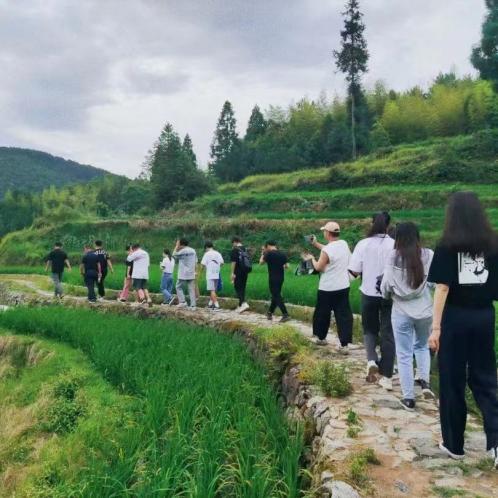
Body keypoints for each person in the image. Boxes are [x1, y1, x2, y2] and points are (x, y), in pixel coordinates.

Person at [427, 192, 498, 467]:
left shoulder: (447, 245)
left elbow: (442, 288)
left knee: (451, 378)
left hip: (455, 318)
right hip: (484, 316)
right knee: (485, 379)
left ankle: (454, 444)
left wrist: (436, 328)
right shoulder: (493, 244)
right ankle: (495, 442)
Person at [381, 222, 435, 411]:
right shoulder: (428, 255)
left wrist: (386, 295)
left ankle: (409, 398)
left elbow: (386, 284)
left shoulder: (393, 256)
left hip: (401, 311)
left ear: (398, 238)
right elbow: (434, 283)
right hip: (425, 310)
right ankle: (425, 382)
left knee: (404, 354)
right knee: (422, 346)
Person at [349, 211, 395, 390]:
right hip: (389, 295)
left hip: (368, 293)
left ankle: (371, 360)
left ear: (372, 223)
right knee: (388, 331)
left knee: (369, 328)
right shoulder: (395, 244)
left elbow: (354, 271)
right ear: (388, 225)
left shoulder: (363, 244)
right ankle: (387, 373)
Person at [307, 221, 353, 354]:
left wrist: (311, 258)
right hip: (343, 286)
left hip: (327, 288)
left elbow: (318, 267)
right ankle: (344, 345)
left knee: (322, 313)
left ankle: (321, 338)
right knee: (343, 315)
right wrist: (315, 244)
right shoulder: (343, 244)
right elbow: (329, 250)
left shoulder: (327, 250)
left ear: (327, 233)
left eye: (324, 231)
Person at [259, 240, 290, 323]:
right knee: (275, 295)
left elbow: (261, 263)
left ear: (268, 245)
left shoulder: (268, 254)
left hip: (273, 278)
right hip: (281, 278)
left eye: (266, 247)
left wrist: (263, 253)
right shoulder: (282, 254)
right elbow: (287, 266)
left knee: (276, 295)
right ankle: (270, 313)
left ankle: (285, 314)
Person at [173, 238, 198, 309]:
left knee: (178, 286)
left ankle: (183, 302)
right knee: (191, 289)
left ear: (181, 244)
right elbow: (196, 261)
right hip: (191, 272)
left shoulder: (182, 251)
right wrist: (195, 271)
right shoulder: (193, 250)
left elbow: (174, 255)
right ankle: (193, 305)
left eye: (178, 243)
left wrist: (176, 246)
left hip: (183, 273)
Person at [200, 241, 224, 310]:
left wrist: (200, 273)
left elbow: (202, 265)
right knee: (214, 290)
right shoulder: (218, 253)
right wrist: (217, 267)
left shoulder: (206, 254)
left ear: (206, 247)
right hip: (216, 274)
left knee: (212, 290)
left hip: (210, 274)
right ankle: (210, 303)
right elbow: (222, 263)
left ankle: (216, 305)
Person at [230, 236, 251, 313]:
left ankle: (244, 303)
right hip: (245, 271)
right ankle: (240, 306)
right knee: (242, 287)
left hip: (238, 271)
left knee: (237, 287)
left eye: (233, 243)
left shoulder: (235, 250)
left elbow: (233, 262)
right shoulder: (245, 249)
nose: (233, 244)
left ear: (235, 242)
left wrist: (232, 273)